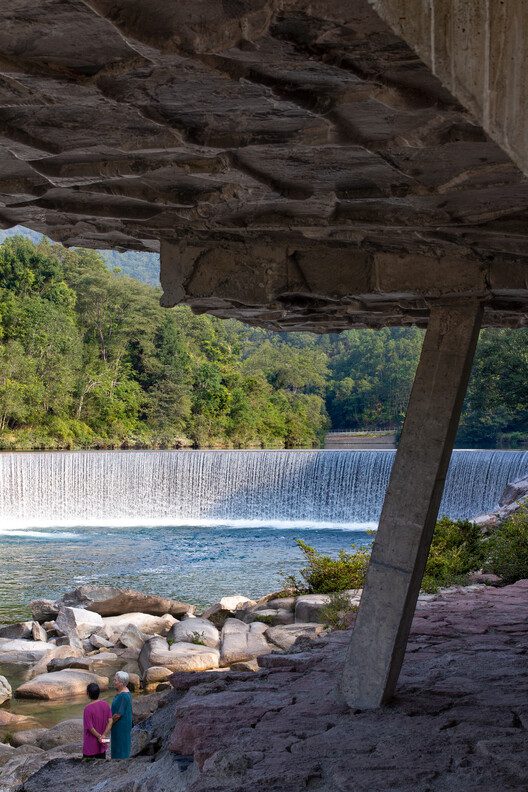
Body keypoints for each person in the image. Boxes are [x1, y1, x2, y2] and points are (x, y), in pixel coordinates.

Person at [83, 682, 112, 759]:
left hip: (90, 745)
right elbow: (110, 721)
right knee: (101, 765)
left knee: (87, 767)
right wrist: (104, 736)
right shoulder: (106, 704)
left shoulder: (87, 709)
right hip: (102, 742)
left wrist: (99, 736)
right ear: (99, 693)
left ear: (88, 694)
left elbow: (90, 728)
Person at [110, 670, 133, 759]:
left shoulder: (124, 696)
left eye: (116, 680)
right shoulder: (123, 692)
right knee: (118, 743)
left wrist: (109, 723)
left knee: (121, 744)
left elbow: (118, 714)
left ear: (122, 683)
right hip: (120, 724)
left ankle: (120, 762)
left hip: (121, 725)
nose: (114, 682)